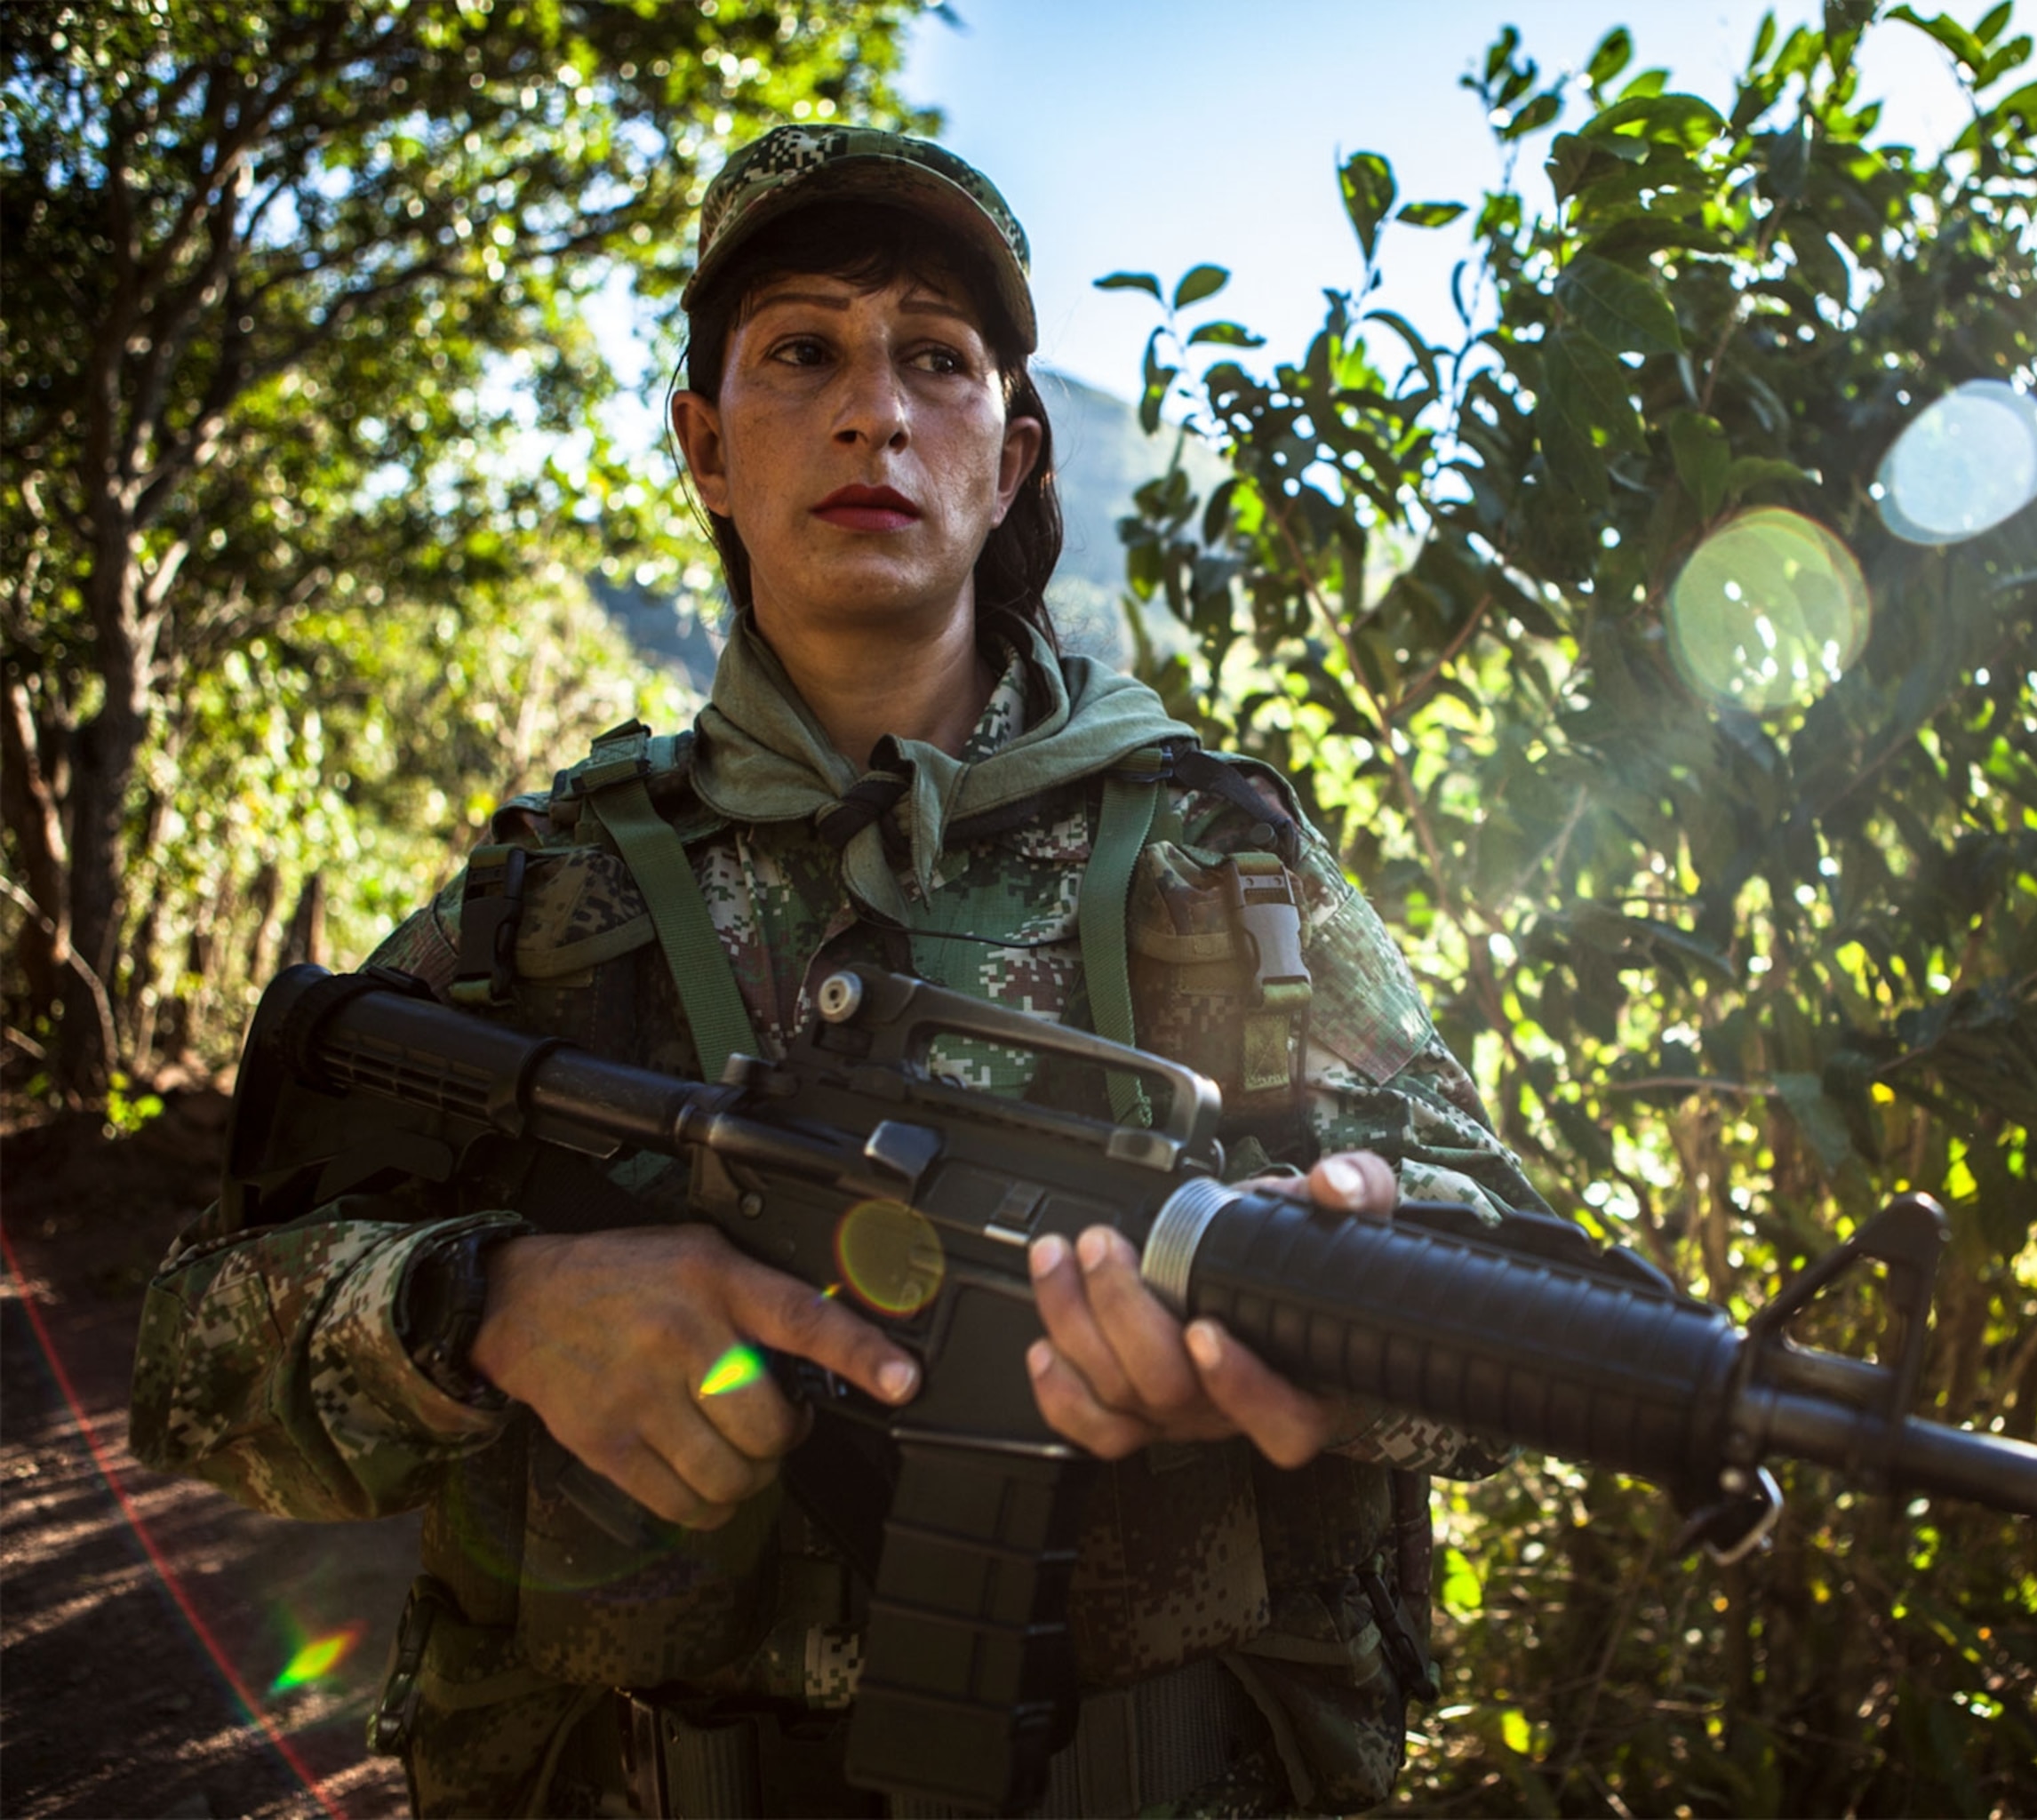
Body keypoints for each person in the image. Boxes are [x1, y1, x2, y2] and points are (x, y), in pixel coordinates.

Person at [130, 125, 1545, 1818]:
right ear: (709, 449)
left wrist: (1329, 1297)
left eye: (934, 360)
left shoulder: (1209, 858)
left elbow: (1510, 1286)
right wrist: (492, 1305)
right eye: (804, 352)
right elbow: (188, 1363)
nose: (875, 408)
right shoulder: (550, 900)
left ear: (1013, 457)